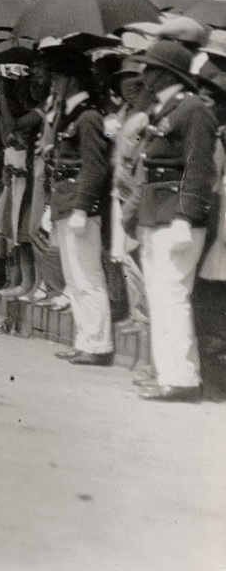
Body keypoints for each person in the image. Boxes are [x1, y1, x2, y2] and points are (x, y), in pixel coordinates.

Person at [128, 38, 217, 401]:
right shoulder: (165, 111)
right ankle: (170, 375)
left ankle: (181, 380)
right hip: (157, 216)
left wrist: (185, 216)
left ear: (167, 74)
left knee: (172, 297)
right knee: (160, 297)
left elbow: (199, 169)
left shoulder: (192, 110)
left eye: (150, 68)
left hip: (176, 218)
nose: (143, 74)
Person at [40, 53, 115, 367]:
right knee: (75, 278)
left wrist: (83, 207)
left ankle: (98, 344)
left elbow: (96, 168)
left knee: (87, 276)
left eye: (58, 77)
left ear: (72, 79)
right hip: (65, 202)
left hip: (78, 206)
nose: (53, 83)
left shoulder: (88, 117)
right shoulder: (70, 116)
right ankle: (85, 340)